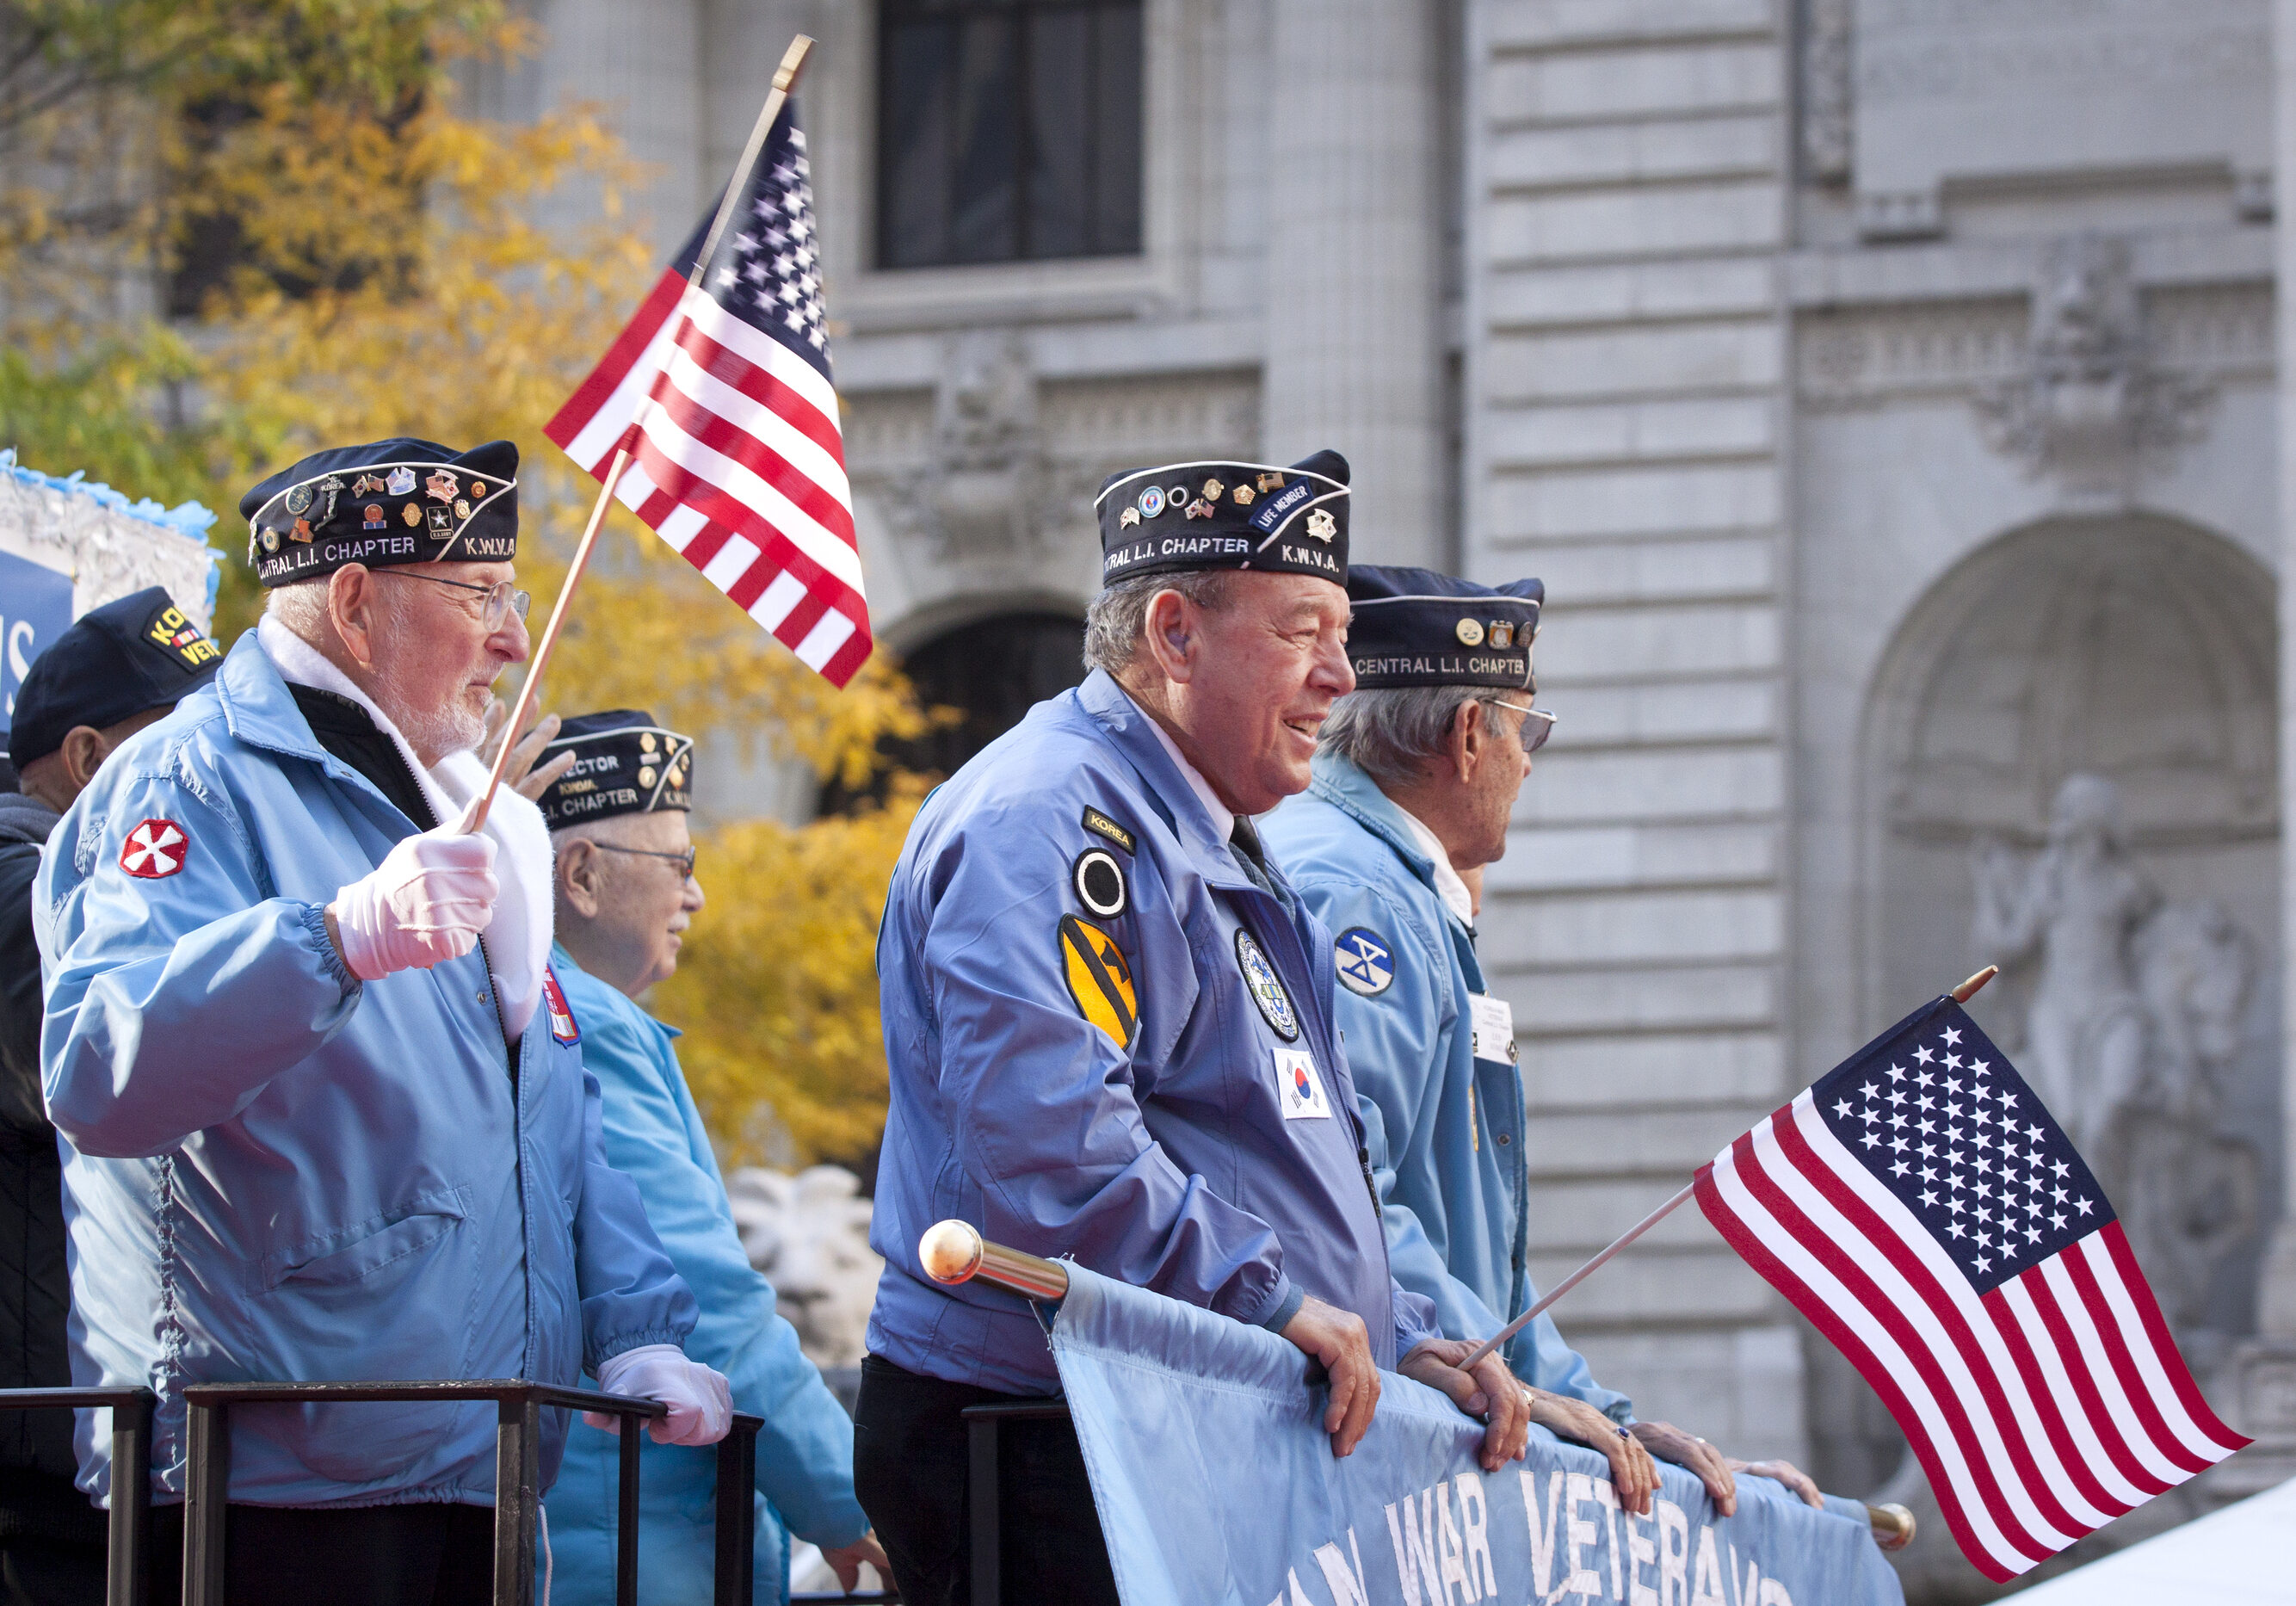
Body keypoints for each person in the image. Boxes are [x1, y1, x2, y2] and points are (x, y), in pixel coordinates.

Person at [34, 440, 732, 1606]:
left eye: (512, 597)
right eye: (482, 597)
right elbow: (103, 1068)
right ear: (355, 603)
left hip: (476, 1457)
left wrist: (637, 1325)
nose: (515, 637)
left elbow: (553, 1110)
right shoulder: (184, 783)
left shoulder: (483, 814)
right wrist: (334, 938)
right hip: (267, 1477)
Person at [858, 453, 1541, 1606]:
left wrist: (1399, 1325)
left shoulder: (1201, 829)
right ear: (1174, 633)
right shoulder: (1055, 821)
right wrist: (1266, 1299)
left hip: (1153, 1420)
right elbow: (1051, 1142)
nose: (1339, 674)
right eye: (1303, 632)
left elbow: (1274, 1145)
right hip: (1043, 1430)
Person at [1262, 565, 1824, 1514]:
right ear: (1469, 735)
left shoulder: (1389, 883)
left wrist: (1597, 1409)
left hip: (1414, 1413)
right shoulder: (1356, 891)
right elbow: (1345, 1188)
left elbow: (1483, 1249)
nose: (1528, 763)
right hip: (1368, 1438)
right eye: (1526, 727)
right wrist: (1509, 1375)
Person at [534, 712, 891, 1603]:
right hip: (629, 1546)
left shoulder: (541, 1007)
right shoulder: (592, 1025)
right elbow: (703, 1303)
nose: (695, 897)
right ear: (580, 875)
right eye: (680, 867)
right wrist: (852, 1504)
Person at [0, 590, 221, 1604]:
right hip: (40, 1468)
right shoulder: (18, 874)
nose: (222, 772)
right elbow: (94, 1063)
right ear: (88, 761)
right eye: (181, 741)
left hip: (106, 1440)